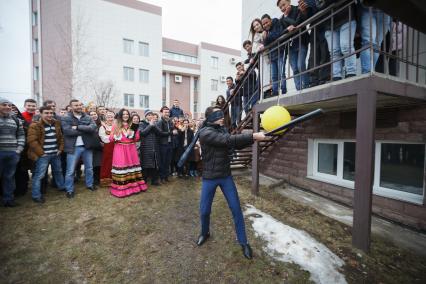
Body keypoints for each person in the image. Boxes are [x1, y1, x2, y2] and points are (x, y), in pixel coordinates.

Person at [196, 106, 266, 259]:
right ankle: (204, 232)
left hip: (225, 176)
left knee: (236, 209)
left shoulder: (222, 130)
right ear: (209, 118)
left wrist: (253, 138)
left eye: (221, 114)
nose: (221, 117)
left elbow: (234, 143)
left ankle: (243, 241)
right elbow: (227, 140)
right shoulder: (205, 133)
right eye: (217, 115)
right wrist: (253, 135)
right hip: (209, 177)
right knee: (204, 210)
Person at [27, 106, 65, 203]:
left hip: (55, 153)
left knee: (58, 171)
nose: (49, 115)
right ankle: (36, 195)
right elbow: (32, 141)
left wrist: (60, 149)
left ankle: (61, 187)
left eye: (51, 113)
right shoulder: (35, 125)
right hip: (43, 155)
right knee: (39, 175)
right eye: (46, 113)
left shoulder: (56, 123)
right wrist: (42, 153)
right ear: (41, 113)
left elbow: (61, 138)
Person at [62, 99, 98, 198]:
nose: (78, 107)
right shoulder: (66, 118)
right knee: (70, 170)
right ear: (71, 107)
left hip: (87, 146)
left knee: (89, 168)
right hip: (73, 147)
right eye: (75, 105)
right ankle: (69, 189)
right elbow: (67, 131)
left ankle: (90, 184)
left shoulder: (87, 116)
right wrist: (85, 130)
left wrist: (77, 127)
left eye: (79, 105)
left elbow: (93, 128)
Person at [109, 109, 147, 197]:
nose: (125, 115)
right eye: (123, 114)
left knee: (132, 167)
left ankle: (135, 187)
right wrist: (116, 136)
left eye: (127, 114)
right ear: (120, 116)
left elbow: (137, 138)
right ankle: (122, 189)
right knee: (122, 167)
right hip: (120, 149)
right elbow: (110, 139)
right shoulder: (116, 125)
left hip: (131, 148)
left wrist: (133, 134)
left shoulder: (133, 125)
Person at [277, 0, 310, 90]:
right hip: (291, 46)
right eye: (280, 7)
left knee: (300, 65)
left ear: (289, 1)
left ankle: (307, 85)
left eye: (284, 5)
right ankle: (299, 88)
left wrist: (287, 17)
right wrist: (287, 29)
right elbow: (280, 33)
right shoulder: (281, 19)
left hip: (301, 41)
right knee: (295, 69)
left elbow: (297, 23)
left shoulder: (297, 9)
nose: (283, 8)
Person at [0, 98, 25, 207]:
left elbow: (21, 135)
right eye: (4, 104)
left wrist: (18, 149)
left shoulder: (16, 120)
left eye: (9, 105)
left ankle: (8, 199)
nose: (7, 107)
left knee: (9, 177)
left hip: (12, 153)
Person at [323, 0, 357, 81]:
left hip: (346, 16)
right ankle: (336, 76)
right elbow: (319, 6)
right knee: (334, 51)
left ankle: (351, 73)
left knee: (346, 46)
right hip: (329, 23)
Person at [261, 14, 286, 96]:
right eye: (263, 24)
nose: (265, 25)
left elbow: (277, 34)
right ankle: (275, 93)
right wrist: (266, 38)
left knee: (281, 73)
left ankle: (283, 91)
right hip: (271, 55)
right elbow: (265, 44)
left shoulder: (275, 22)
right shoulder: (266, 31)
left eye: (266, 22)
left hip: (279, 52)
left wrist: (266, 37)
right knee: (274, 76)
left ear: (270, 20)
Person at [139, 110, 162, 186]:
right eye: (148, 115)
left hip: (154, 147)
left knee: (155, 164)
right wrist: (150, 125)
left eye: (151, 115)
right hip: (145, 147)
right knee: (145, 164)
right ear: (145, 116)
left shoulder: (155, 124)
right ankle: (144, 180)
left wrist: (153, 125)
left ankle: (154, 180)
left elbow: (160, 133)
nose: (150, 116)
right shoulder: (142, 123)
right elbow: (142, 133)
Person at [157, 106, 173, 183]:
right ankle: (162, 177)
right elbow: (160, 133)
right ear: (162, 113)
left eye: (168, 112)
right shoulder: (160, 122)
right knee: (163, 161)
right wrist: (171, 133)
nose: (167, 113)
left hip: (169, 144)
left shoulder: (170, 121)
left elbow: (173, 130)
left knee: (168, 161)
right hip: (163, 145)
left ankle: (166, 176)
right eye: (165, 112)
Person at [99, 110, 115, 186]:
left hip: (117, 146)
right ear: (106, 118)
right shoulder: (103, 127)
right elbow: (103, 138)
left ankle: (116, 178)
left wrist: (112, 136)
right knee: (107, 162)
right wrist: (112, 137)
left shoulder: (116, 126)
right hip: (108, 147)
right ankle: (106, 180)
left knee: (116, 162)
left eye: (111, 117)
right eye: (108, 117)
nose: (110, 118)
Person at [89, 110, 103, 186]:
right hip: (91, 147)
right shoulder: (88, 124)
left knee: (99, 164)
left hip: (100, 147)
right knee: (92, 165)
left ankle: (99, 179)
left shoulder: (101, 124)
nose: (93, 115)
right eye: (91, 114)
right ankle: (94, 179)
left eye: (95, 114)